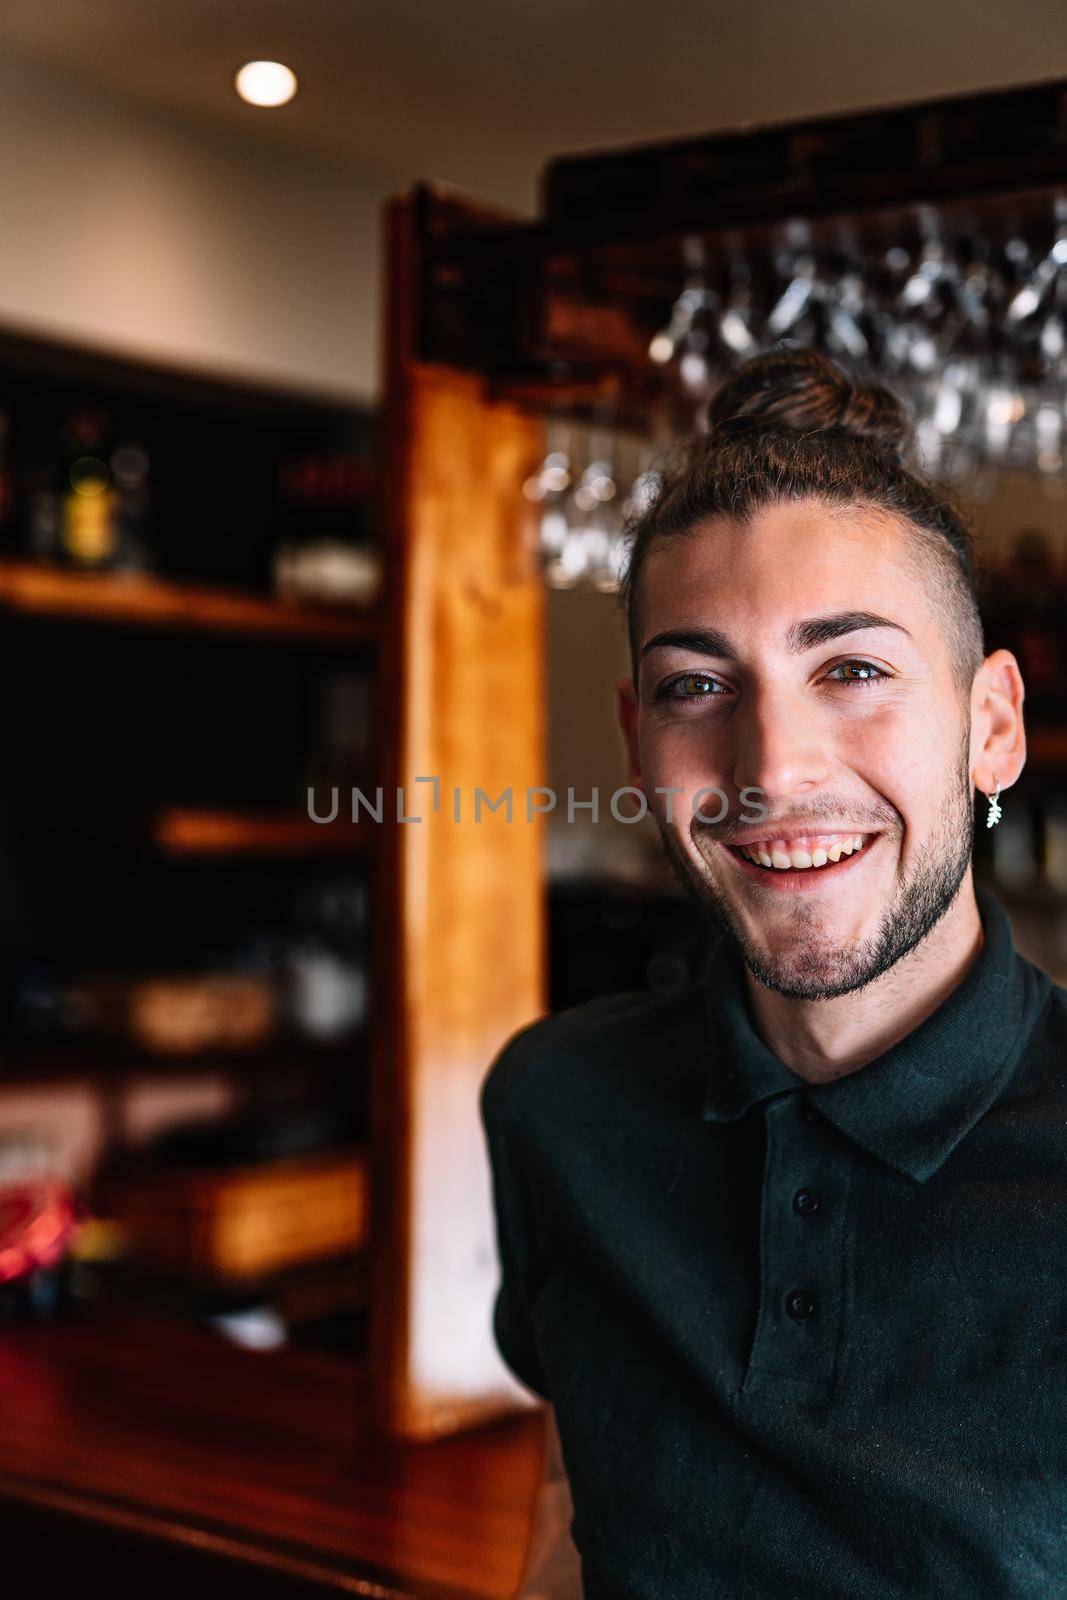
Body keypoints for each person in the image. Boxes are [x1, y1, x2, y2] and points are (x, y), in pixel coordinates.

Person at [478, 344, 1067, 1599]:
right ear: (638, 739)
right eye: (698, 684)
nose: (770, 765)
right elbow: (570, 1487)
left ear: (990, 725)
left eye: (850, 670)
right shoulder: (554, 1103)